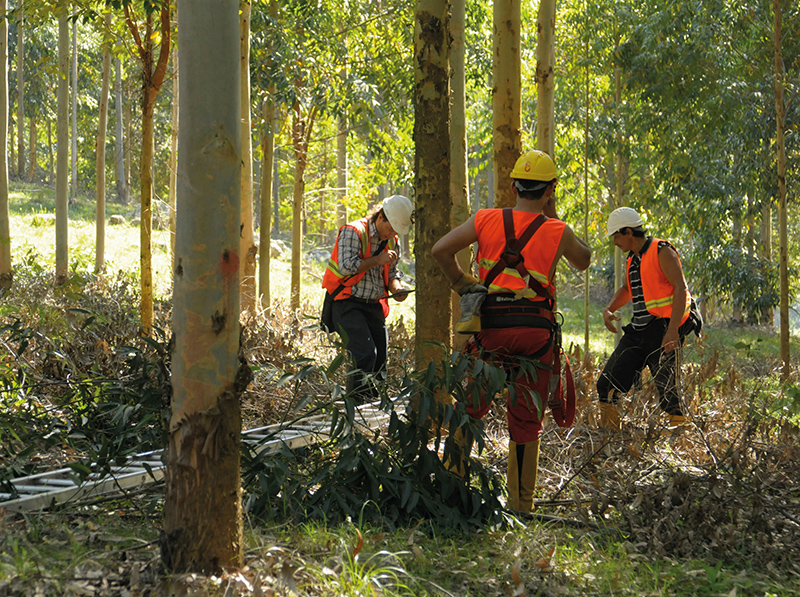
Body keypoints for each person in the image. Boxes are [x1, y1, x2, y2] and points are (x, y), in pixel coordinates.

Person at [432, 150, 591, 513]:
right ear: (550, 190)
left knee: (471, 407)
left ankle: (450, 488)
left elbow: (440, 249)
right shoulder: (558, 230)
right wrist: (552, 215)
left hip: (490, 330)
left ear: (513, 184)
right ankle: (522, 504)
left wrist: (462, 283)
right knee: (526, 417)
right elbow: (585, 259)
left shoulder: (485, 219)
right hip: (536, 334)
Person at [596, 206, 702, 432]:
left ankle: (681, 440)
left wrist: (672, 331)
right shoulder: (632, 259)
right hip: (639, 328)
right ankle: (608, 439)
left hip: (664, 327)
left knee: (669, 390)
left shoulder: (661, 251)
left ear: (628, 232)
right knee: (607, 384)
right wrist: (608, 309)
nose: (615, 242)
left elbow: (680, 290)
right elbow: (627, 289)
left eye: (616, 236)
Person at [322, 195, 414, 403]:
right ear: (381, 216)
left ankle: (373, 403)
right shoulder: (353, 232)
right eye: (390, 229)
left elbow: (392, 273)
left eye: (396, 232)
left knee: (380, 358)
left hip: (374, 306)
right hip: (347, 302)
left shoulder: (392, 241)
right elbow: (346, 266)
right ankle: (355, 404)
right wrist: (377, 260)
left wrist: (397, 288)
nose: (392, 234)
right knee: (364, 354)